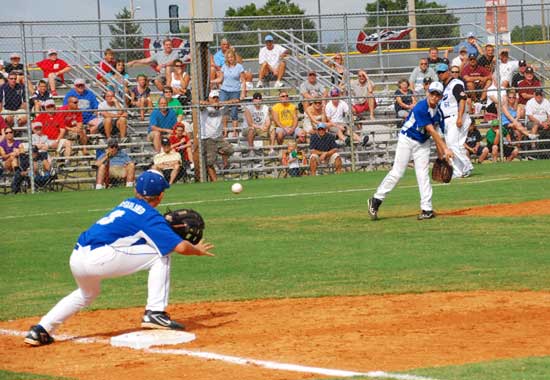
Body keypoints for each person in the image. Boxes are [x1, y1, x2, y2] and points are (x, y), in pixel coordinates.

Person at [23, 170, 214, 346]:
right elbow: (180, 247)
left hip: (77, 256)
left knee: (86, 294)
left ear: (135, 190)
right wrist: (196, 250)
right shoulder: (149, 215)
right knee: (161, 254)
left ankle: (41, 330)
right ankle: (155, 312)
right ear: (161, 195)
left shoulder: (126, 203)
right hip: (99, 258)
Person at [367, 81, 454, 221]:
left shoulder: (439, 112)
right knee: (397, 172)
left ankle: (427, 209)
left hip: (423, 142)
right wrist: (446, 149)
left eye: (438, 94)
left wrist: (441, 156)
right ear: (428, 93)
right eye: (432, 93)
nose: (434, 96)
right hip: (407, 140)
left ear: (441, 97)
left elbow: (438, 133)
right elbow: (431, 130)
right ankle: (376, 200)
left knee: (423, 174)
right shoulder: (421, 107)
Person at [437, 63, 473, 178]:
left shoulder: (455, 84)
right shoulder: (444, 86)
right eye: (438, 72)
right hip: (447, 119)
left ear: (448, 72)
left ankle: (467, 166)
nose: (440, 74)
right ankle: (458, 171)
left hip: (455, 116)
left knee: (454, 144)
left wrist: (459, 117)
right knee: (452, 146)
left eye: (442, 72)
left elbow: (462, 100)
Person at [199, 89, 236, 182]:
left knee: (230, 150)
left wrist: (222, 103)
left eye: (217, 98)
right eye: (213, 98)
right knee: (210, 162)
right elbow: (197, 102)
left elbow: (235, 100)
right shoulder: (205, 108)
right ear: (209, 99)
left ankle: (224, 161)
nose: (215, 100)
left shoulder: (221, 107)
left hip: (218, 137)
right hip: (208, 138)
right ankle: (215, 181)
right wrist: (210, 104)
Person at [211, 49, 246, 137]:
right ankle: (225, 130)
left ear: (234, 57)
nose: (230, 59)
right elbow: (220, 79)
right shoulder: (224, 67)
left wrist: (242, 93)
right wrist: (211, 81)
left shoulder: (239, 67)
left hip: (235, 90)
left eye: (232, 57)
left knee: (234, 111)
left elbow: (243, 81)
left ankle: (235, 131)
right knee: (223, 110)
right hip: (224, 90)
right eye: (229, 57)